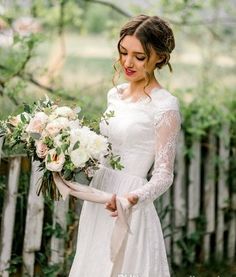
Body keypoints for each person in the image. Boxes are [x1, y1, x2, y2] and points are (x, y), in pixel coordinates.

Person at [54, 14, 181, 277]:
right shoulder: (116, 94)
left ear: (159, 56)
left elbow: (164, 175)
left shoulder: (165, 106)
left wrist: (132, 199)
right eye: (123, 52)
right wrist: (69, 153)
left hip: (127, 202)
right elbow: (104, 149)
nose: (127, 62)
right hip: (100, 194)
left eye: (139, 56)